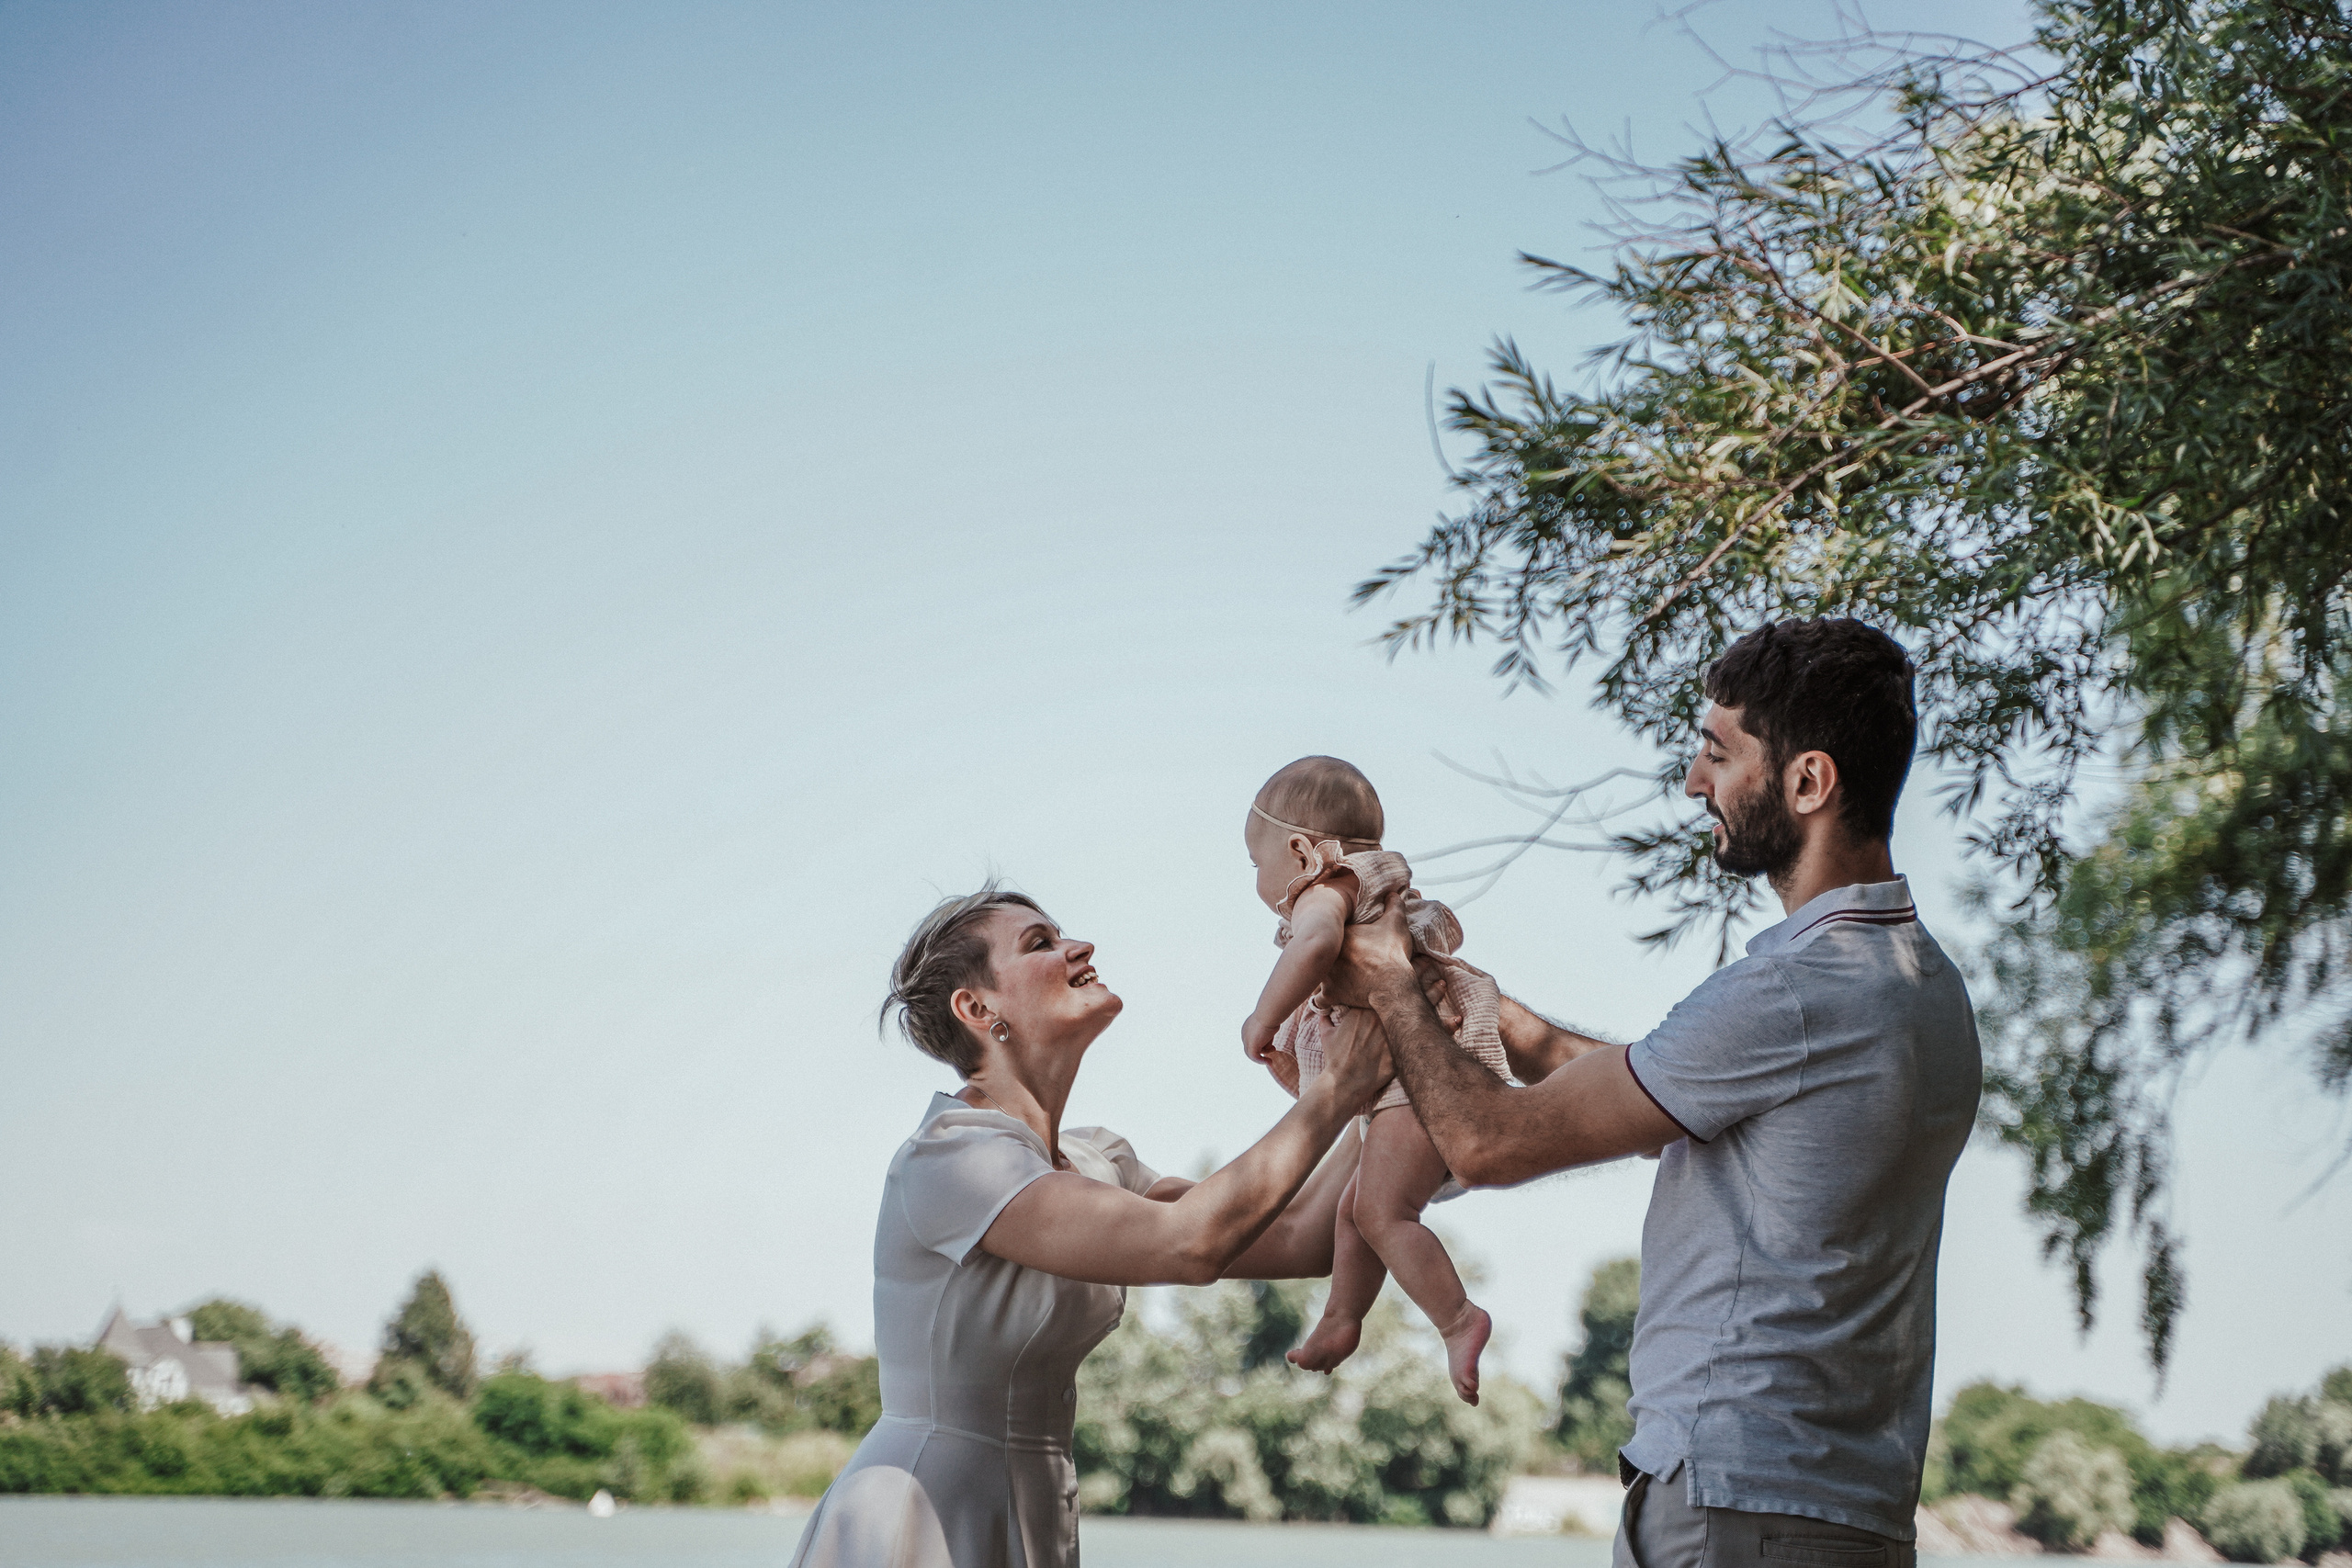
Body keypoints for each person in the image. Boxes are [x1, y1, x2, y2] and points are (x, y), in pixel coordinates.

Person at [1328, 618, 1981, 1568]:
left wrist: (1386, 985)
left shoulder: (1795, 990)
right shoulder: (1919, 985)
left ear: (1807, 782)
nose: (1692, 782)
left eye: (1718, 752)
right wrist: (1488, 1013)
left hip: (1734, 1504)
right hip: (1841, 1509)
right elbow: (1654, 1088)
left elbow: (1489, 1146)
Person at [789, 882, 1386, 1568]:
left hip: (1033, 1505)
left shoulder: (1100, 1160)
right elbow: (1192, 1243)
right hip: (918, 1511)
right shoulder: (952, 1157)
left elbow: (1306, 1238)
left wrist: (1378, 1089)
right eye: (1041, 942)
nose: (1081, 946)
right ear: (978, 1007)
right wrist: (1337, 1088)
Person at [1238, 755, 1505, 1403]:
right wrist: (1292, 1063)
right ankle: (1342, 1315)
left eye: (1256, 863)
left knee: (1383, 1210)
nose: (1258, 881)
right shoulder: (1381, 893)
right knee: (1358, 1211)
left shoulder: (1328, 890)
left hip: (1419, 1081)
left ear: (1300, 851)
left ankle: (1458, 1317)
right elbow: (1348, 1066)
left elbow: (1312, 947)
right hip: (1411, 1078)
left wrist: (1261, 1016)